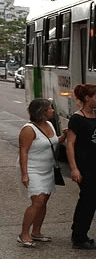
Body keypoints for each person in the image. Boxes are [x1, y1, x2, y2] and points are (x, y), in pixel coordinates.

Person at [17, 99, 67, 248]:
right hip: (33, 170)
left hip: (48, 169)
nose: (53, 110)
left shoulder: (49, 124)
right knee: (37, 202)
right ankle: (23, 234)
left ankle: (36, 232)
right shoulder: (28, 129)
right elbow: (23, 152)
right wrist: (24, 174)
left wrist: (63, 137)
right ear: (42, 111)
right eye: (50, 108)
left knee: (43, 201)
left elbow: (52, 142)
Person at [66, 84, 96, 250]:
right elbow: (70, 144)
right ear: (87, 98)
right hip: (83, 166)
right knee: (88, 200)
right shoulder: (77, 119)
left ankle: (78, 232)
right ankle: (79, 237)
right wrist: (74, 168)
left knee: (89, 199)